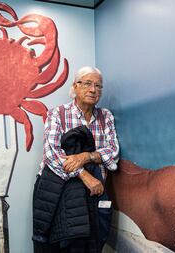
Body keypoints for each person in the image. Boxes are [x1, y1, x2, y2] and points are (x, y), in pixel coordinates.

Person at [34, 66, 120, 252]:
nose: (93, 90)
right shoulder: (58, 114)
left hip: (94, 191)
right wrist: (84, 175)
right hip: (59, 188)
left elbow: (113, 152)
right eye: (87, 83)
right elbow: (52, 154)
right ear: (75, 86)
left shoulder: (105, 117)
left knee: (93, 242)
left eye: (98, 86)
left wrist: (85, 156)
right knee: (58, 244)